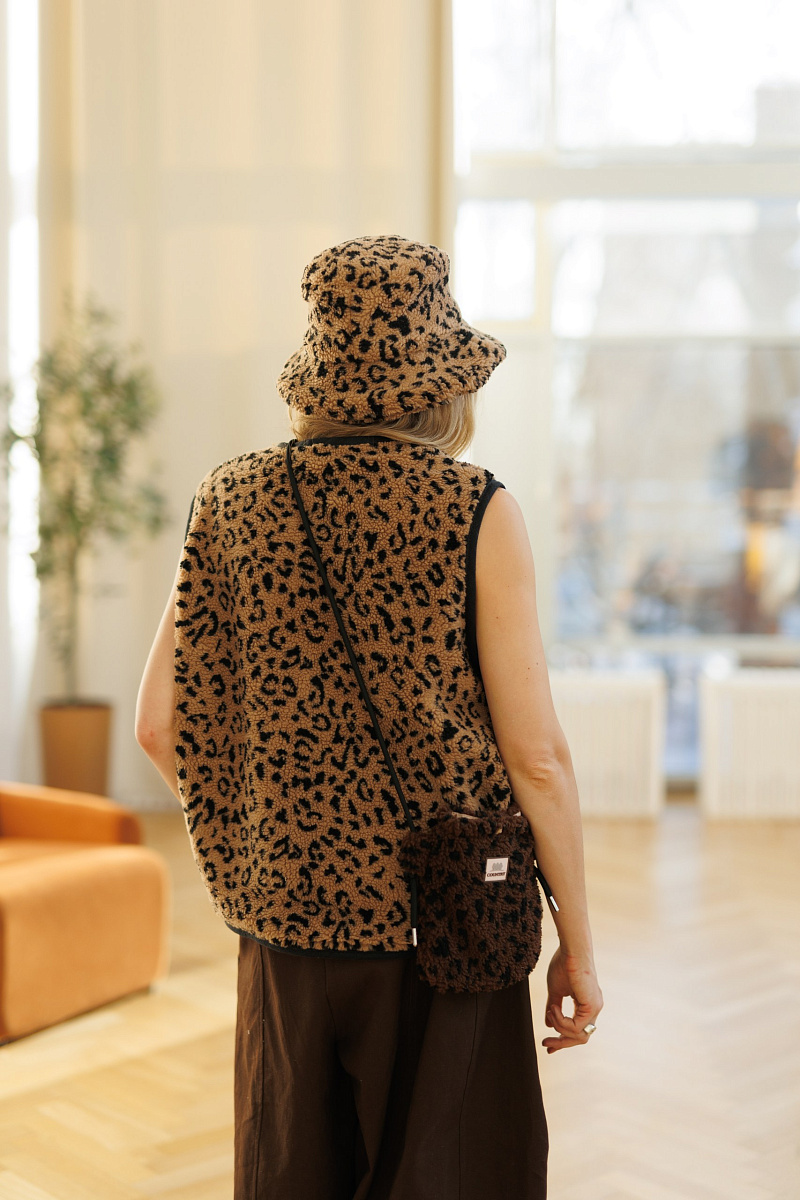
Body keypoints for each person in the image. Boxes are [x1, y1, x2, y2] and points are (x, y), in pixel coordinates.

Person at [136, 233, 603, 1200]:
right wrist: (580, 945)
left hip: (285, 917)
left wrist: (268, 832)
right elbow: (537, 758)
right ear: (444, 382)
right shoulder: (476, 509)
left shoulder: (229, 500)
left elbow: (159, 724)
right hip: (447, 926)